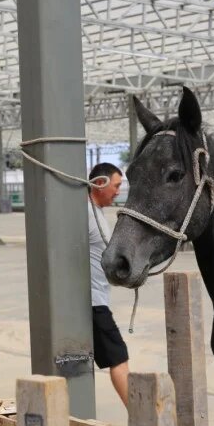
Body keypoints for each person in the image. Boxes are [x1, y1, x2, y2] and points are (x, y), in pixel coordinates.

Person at [87, 162, 129, 406]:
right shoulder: (85, 213)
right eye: (116, 185)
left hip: (99, 299)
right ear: (99, 184)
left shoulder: (96, 213)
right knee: (119, 359)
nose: (118, 191)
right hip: (94, 304)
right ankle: (139, 415)